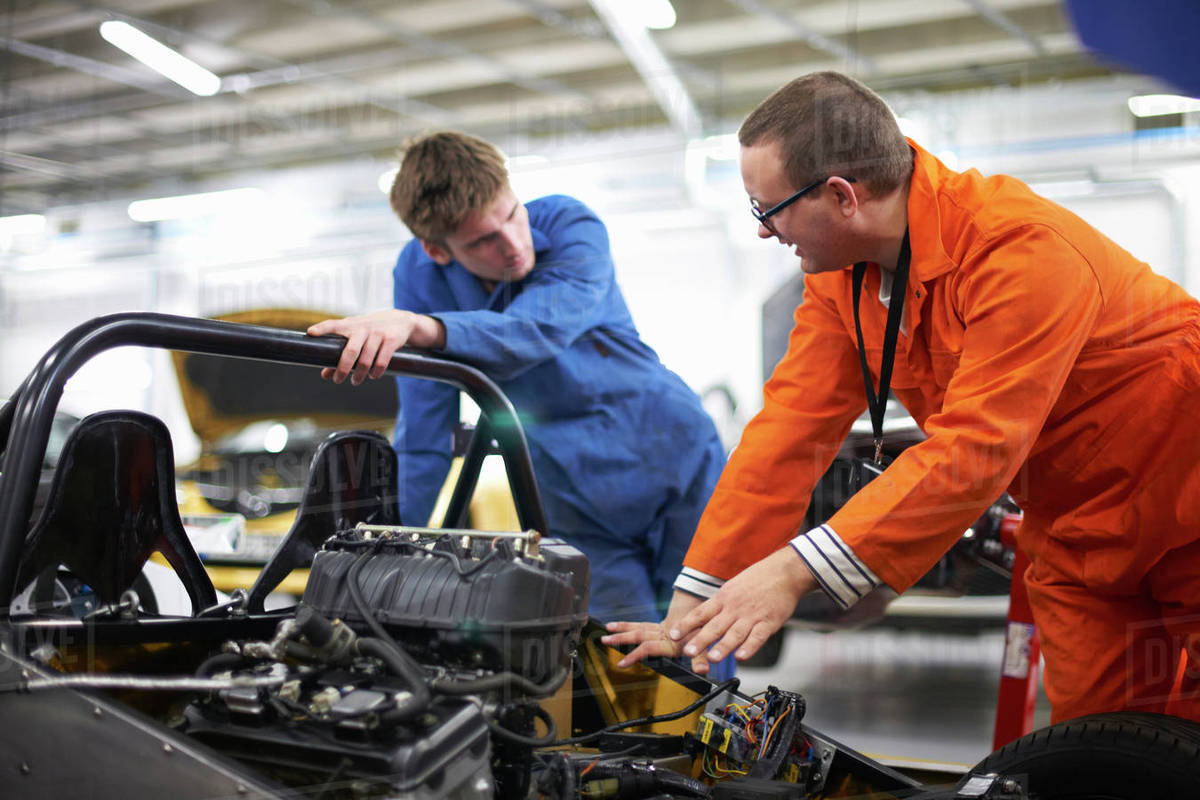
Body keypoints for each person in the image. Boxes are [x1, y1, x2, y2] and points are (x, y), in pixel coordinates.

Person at [603, 70, 1200, 724]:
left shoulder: (1020, 249)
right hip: (1074, 536)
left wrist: (793, 572)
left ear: (840, 196)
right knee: (1104, 747)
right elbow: (787, 434)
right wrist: (694, 606)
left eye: (765, 208)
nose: (763, 232)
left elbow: (974, 448)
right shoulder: (843, 283)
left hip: (1186, 506)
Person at [307, 131, 727, 632]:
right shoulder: (418, 274)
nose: (513, 245)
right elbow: (424, 429)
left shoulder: (572, 224)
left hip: (671, 450)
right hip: (566, 486)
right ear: (438, 251)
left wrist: (425, 328)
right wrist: (384, 550)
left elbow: (536, 329)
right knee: (621, 650)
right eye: (483, 240)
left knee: (698, 631)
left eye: (511, 214)